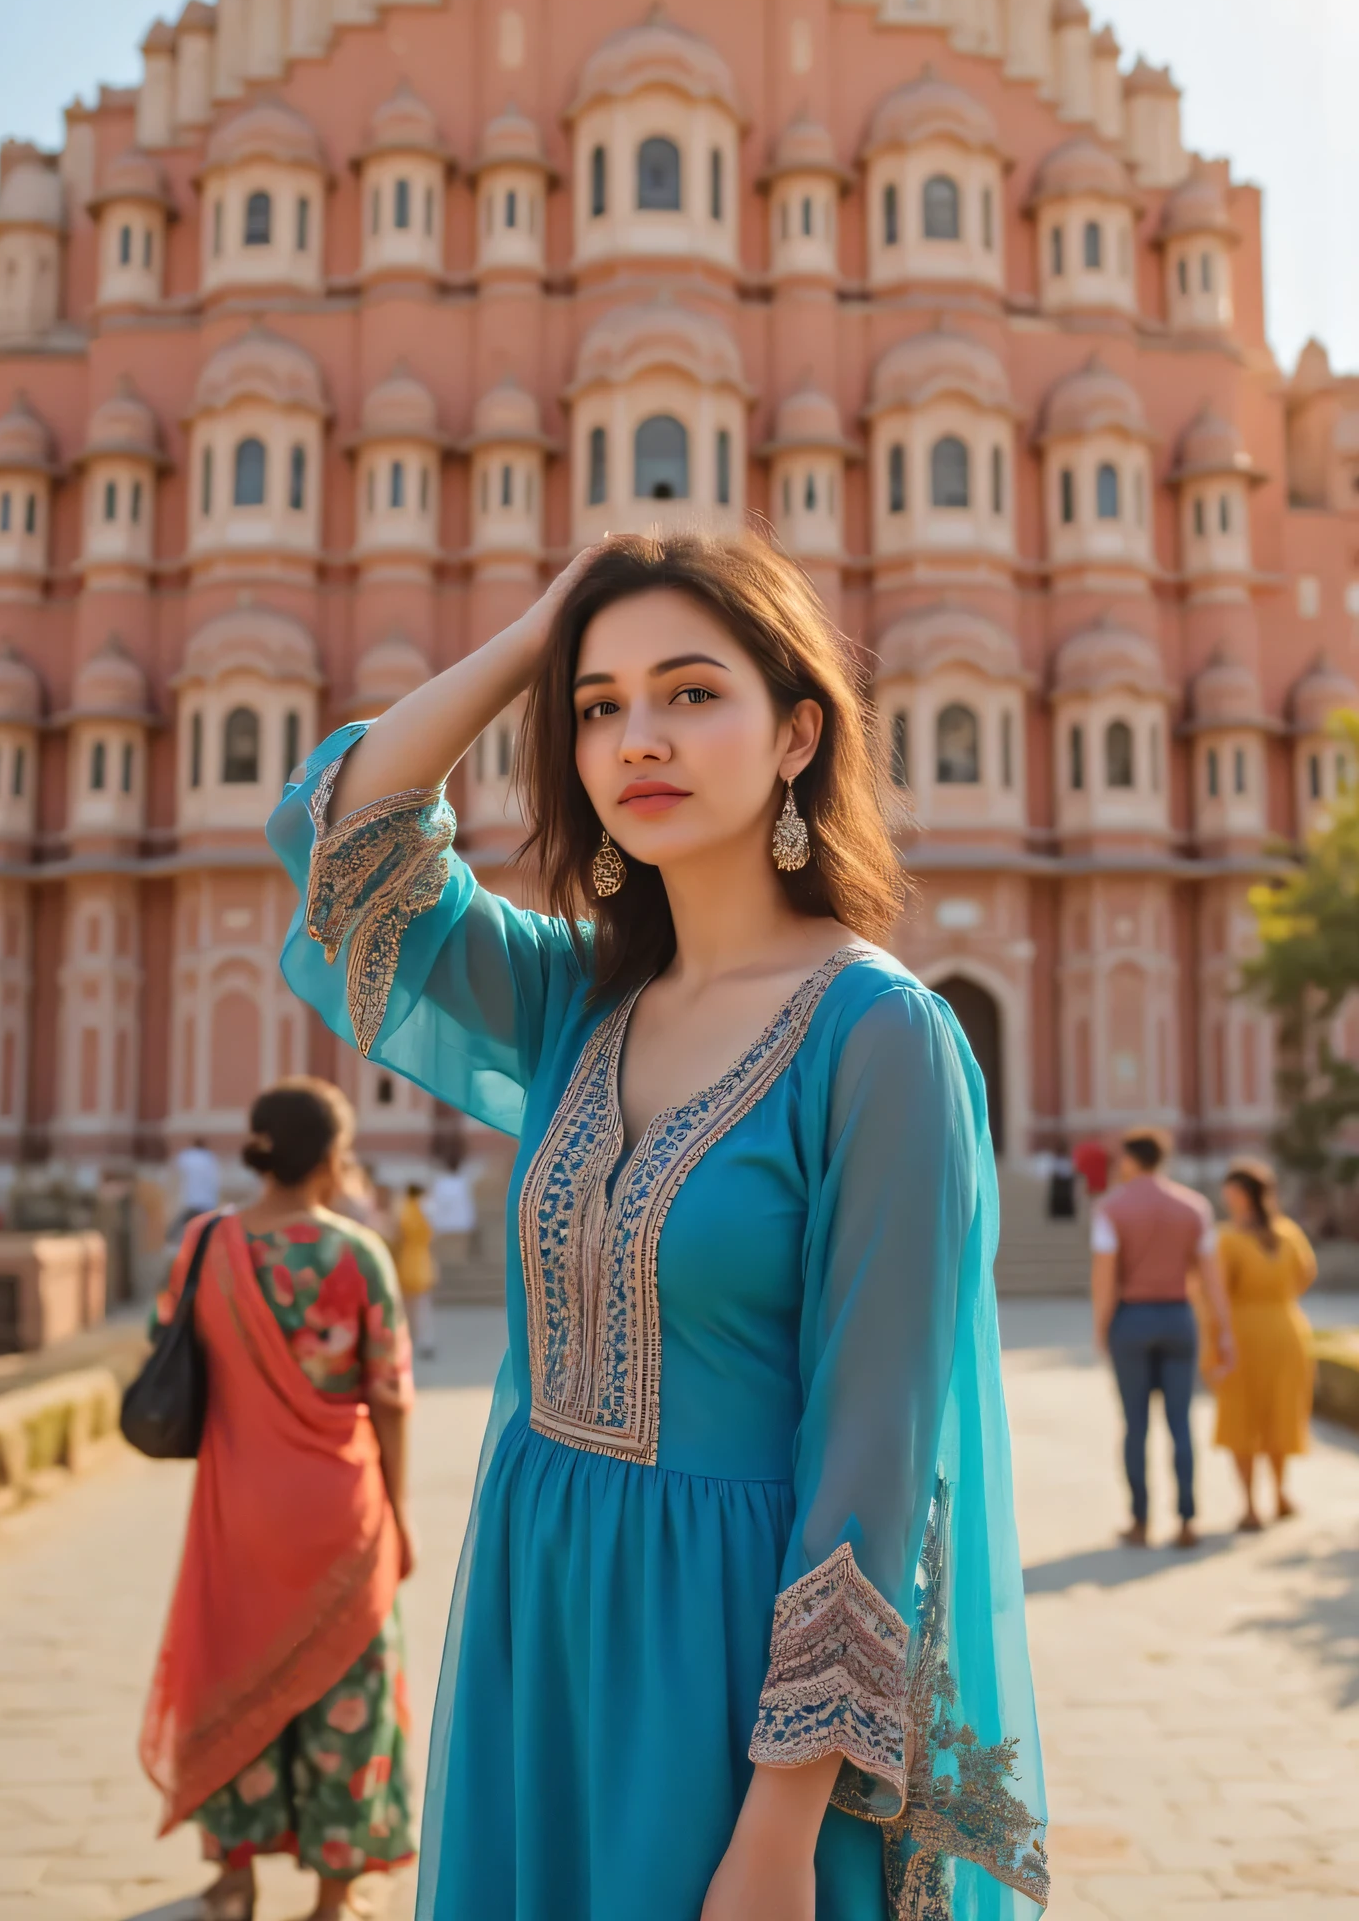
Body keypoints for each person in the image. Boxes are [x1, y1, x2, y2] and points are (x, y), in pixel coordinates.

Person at [270, 531, 1048, 1921]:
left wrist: (779, 1829)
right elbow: (343, 839)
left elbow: (877, 1450)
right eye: (601, 707)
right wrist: (537, 633)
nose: (641, 738)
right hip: (543, 1604)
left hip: (733, 1653)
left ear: (799, 731)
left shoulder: (882, 1043)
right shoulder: (580, 1002)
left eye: (693, 693)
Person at [141, 1077, 416, 1921]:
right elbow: (394, 1396)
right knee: (349, 1695)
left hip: (238, 1508)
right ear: (334, 1158)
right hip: (341, 1512)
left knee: (233, 1678)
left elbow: (166, 1344)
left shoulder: (204, 1244)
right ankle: (334, 1895)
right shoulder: (357, 1254)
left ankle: (232, 1881)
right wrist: (399, 1517)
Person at [1091, 1127, 1235, 1549]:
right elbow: (1211, 1277)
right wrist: (1224, 1329)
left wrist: (1102, 1328)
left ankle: (1140, 1522)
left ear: (1134, 1161)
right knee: (1180, 1423)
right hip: (1178, 1318)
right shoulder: (1194, 1207)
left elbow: (1104, 1280)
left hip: (1132, 1320)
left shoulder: (1112, 1208)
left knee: (1135, 1425)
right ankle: (1188, 1520)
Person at [1210, 1158, 1317, 1530]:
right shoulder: (1288, 1233)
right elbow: (1306, 1276)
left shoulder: (1229, 1239)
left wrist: (1217, 1340)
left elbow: (1217, 1295)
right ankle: (1278, 1494)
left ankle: (1253, 1504)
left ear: (1243, 1195)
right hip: (1287, 1329)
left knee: (1245, 1416)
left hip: (1245, 1333)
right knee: (1279, 1412)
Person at [395, 1179, 438, 1358]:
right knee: (422, 1306)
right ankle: (425, 1341)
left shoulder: (402, 1210)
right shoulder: (426, 1209)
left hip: (405, 1259)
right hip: (421, 1259)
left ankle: (408, 1340)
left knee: (406, 1307)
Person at [423, 1152, 478, 1263]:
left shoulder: (442, 1183)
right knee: (456, 1257)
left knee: (447, 1259)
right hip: (460, 1225)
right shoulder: (463, 1182)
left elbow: (434, 1204)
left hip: (445, 1226)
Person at [168, 1135, 220, 1249]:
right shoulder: (209, 1157)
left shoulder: (187, 1156)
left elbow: (175, 1171)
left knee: (186, 1223)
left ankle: (173, 1240)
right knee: (205, 1226)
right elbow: (214, 1180)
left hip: (191, 1198)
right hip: (206, 1200)